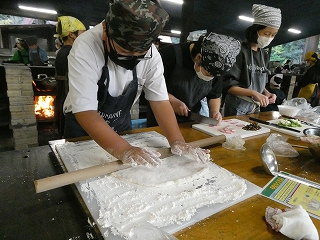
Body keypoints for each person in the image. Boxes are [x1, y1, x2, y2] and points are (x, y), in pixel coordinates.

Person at [63, 0, 210, 166]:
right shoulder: (86, 46)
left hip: (121, 124)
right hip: (83, 128)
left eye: (140, 54)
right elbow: (85, 111)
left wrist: (177, 141)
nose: (133, 58)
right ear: (106, 32)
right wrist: (125, 150)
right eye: (125, 51)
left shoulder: (152, 55)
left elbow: (160, 101)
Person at [147, 32, 241, 127]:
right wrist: (172, 101)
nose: (210, 78)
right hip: (160, 118)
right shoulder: (170, 55)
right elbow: (151, 86)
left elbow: (214, 94)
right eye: (208, 74)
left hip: (191, 121)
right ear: (199, 57)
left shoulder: (217, 67)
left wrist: (215, 112)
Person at [222, 4, 282, 116]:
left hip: (255, 107)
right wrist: (253, 93)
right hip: (237, 106)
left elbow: (256, 83)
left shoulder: (264, 55)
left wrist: (267, 93)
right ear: (255, 30)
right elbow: (227, 85)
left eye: (273, 35)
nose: (269, 38)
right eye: (266, 33)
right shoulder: (239, 51)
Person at [54, 16, 86, 138]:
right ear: (72, 34)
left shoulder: (61, 51)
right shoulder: (73, 52)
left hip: (62, 97)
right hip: (71, 100)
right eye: (83, 32)